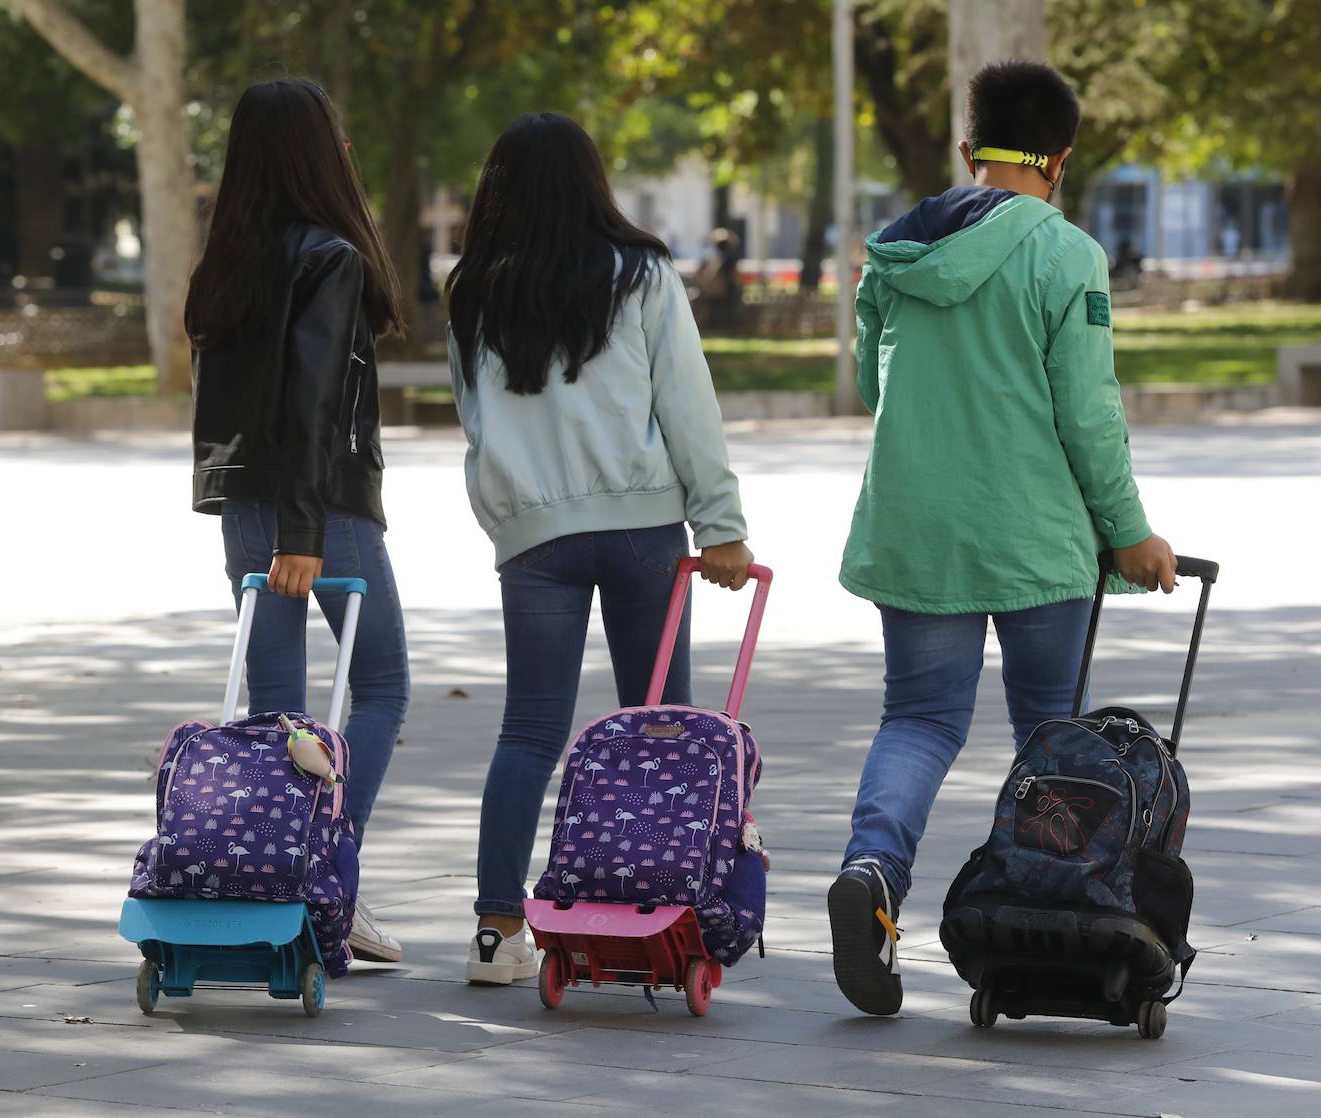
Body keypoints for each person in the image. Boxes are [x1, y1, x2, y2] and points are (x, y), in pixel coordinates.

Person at [828, 61, 1178, 1016]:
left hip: (920, 530)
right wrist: (1131, 533)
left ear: (965, 150)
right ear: (1059, 162)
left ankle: (873, 874)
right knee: (1052, 739)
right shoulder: (1066, 257)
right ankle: (1053, 922)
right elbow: (1089, 416)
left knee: (921, 719)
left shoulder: (897, 248)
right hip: (1036, 539)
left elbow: (872, 382)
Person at [447, 112, 753, 984]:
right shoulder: (643, 272)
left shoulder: (473, 289)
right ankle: (661, 911)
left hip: (535, 538)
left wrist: (506, 516)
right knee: (662, 729)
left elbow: (476, 420)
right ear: (591, 180)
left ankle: (495, 929)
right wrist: (720, 523)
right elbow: (685, 403)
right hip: (642, 528)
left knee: (530, 730)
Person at [185, 79, 410, 964]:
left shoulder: (224, 264)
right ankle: (326, 874)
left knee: (278, 714)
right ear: (319, 153)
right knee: (384, 684)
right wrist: (305, 531)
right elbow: (317, 404)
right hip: (318, 507)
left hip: (241, 498)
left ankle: (277, 886)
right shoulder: (331, 257)